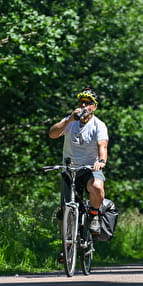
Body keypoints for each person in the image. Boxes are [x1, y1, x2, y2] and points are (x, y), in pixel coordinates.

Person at [48, 86, 109, 236]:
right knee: (64, 211)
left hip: (90, 169)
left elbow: (103, 146)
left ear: (94, 107)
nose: (84, 105)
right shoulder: (69, 121)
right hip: (70, 169)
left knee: (97, 187)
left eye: (88, 102)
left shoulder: (98, 125)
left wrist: (101, 161)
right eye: (82, 102)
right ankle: (66, 248)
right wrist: (69, 119)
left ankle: (94, 215)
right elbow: (52, 134)